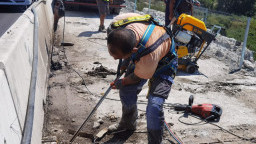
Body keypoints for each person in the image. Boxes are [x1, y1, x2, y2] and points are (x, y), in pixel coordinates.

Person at [107, 13, 178, 144]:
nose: (114, 59)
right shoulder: (120, 25)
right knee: (127, 90)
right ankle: (128, 125)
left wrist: (121, 81)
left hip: (164, 64)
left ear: (133, 50)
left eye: (118, 56)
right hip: (143, 53)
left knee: (154, 106)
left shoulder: (148, 56)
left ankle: (154, 141)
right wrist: (123, 65)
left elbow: (136, 77)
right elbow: (121, 45)